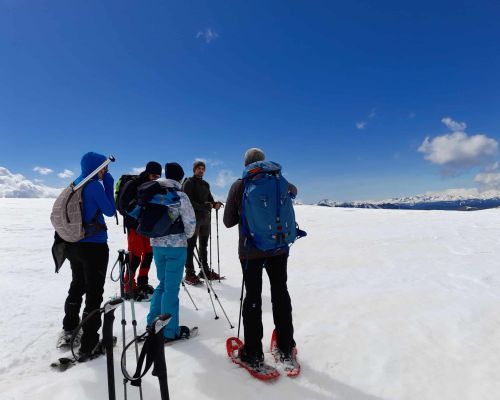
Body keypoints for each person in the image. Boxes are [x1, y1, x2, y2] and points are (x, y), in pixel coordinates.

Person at [223, 148, 297, 368]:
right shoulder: (279, 180)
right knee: (280, 293)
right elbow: (293, 192)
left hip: (251, 251)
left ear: (246, 164)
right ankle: (285, 347)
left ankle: (253, 352)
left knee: (253, 296)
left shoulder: (240, 185)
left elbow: (228, 221)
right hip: (279, 247)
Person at [58, 151, 116, 360]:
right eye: (103, 168)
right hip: (94, 248)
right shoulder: (93, 186)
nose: (106, 171)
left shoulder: (76, 183)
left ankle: (69, 329)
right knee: (94, 293)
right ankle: (89, 345)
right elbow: (110, 210)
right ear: (96, 168)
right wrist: (108, 183)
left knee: (77, 285)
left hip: (75, 245)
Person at [147, 162, 197, 341]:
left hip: (156, 245)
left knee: (161, 284)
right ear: (180, 178)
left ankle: (152, 323)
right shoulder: (180, 196)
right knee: (171, 289)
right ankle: (168, 331)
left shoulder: (154, 192)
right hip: (176, 247)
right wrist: (187, 236)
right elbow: (190, 223)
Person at [117, 161, 162, 299]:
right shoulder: (133, 184)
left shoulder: (155, 186)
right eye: (153, 175)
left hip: (147, 226)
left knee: (148, 254)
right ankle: (129, 286)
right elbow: (122, 206)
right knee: (135, 256)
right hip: (134, 226)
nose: (156, 178)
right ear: (148, 172)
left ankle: (142, 282)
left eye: (158, 175)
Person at [182, 160, 222, 285]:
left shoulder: (205, 184)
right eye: (199, 168)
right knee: (190, 246)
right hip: (193, 220)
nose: (201, 170)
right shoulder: (189, 182)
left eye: (203, 168)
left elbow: (209, 200)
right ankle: (189, 273)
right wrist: (204, 206)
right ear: (194, 169)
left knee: (203, 246)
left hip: (205, 219)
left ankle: (204, 270)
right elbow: (187, 202)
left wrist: (215, 204)